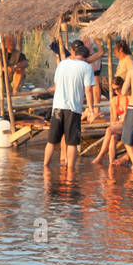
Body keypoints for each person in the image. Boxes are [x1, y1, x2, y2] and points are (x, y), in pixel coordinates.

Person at [43, 40, 98, 175]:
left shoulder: (62, 64)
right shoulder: (86, 67)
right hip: (73, 109)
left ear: (74, 52)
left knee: (51, 141)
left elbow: (56, 85)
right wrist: (91, 109)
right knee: (72, 142)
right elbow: (88, 90)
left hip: (57, 107)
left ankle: (45, 168)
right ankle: (70, 172)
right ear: (85, 57)